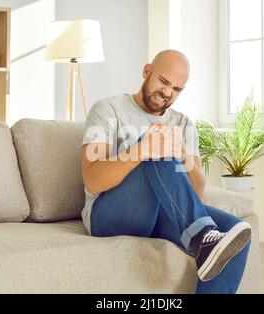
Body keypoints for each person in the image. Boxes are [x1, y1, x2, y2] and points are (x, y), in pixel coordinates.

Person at [80, 49, 251, 294]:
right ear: (146, 71)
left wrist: (182, 153)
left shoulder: (183, 123)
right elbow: (92, 179)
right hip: (107, 214)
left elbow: (197, 192)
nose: (168, 93)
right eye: (163, 81)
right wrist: (142, 149)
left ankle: (206, 240)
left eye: (177, 89)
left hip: (163, 212)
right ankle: (203, 238)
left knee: (235, 234)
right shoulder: (108, 109)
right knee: (157, 142)